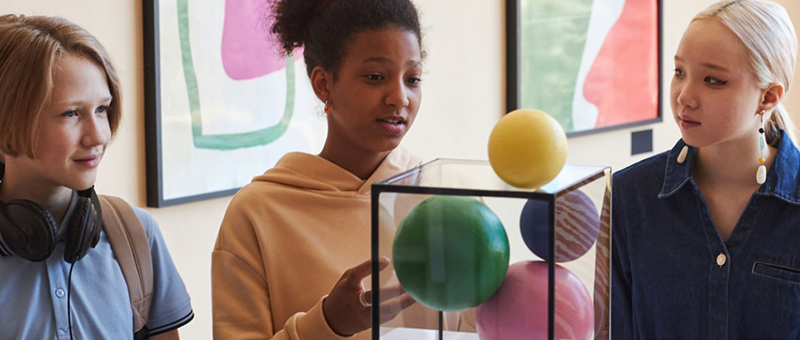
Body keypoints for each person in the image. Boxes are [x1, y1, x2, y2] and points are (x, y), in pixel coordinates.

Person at [209, 0, 441, 339]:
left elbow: (481, 323)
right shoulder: (257, 213)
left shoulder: (441, 197)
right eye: (375, 77)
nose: (400, 98)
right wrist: (328, 324)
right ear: (323, 84)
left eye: (413, 79)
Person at [612, 0, 800, 338]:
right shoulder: (629, 197)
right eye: (679, 72)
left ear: (768, 97)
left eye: (713, 80)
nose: (684, 96)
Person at [0, 15, 193, 339]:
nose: (99, 135)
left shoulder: (136, 234)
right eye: (71, 113)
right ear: (7, 120)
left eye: (102, 109)